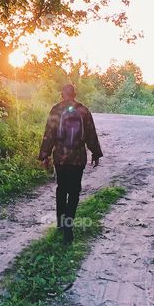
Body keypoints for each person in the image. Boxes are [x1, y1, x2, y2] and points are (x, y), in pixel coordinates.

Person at [38, 83, 102, 244]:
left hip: (60, 157)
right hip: (78, 157)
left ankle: (61, 222)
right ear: (75, 94)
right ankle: (69, 224)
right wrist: (95, 153)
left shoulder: (56, 110)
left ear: (62, 94)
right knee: (74, 191)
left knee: (61, 188)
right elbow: (91, 134)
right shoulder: (83, 111)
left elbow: (49, 134)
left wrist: (45, 155)